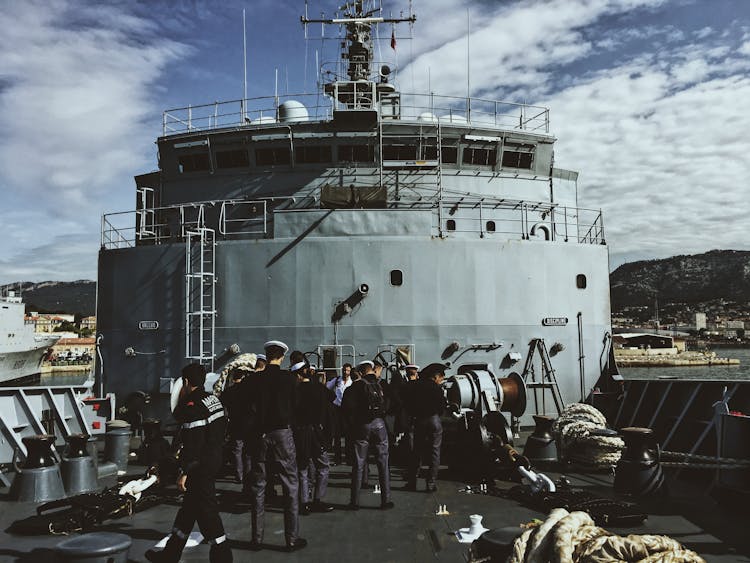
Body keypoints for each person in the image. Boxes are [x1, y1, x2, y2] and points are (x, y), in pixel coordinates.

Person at [146, 363, 232, 563]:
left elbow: (193, 444)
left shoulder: (192, 407)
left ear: (185, 382)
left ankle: (223, 557)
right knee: (188, 511)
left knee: (208, 512)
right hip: (213, 459)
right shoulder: (213, 400)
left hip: (200, 466)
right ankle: (170, 554)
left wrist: (185, 471)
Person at [246, 341, 307, 552]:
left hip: (260, 434)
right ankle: (291, 540)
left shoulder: (254, 379)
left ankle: (256, 539)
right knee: (290, 484)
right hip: (282, 433)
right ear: (281, 357)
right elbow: (297, 406)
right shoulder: (289, 379)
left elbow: (246, 405)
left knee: (259, 485)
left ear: (266, 355)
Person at [341, 360, 394, 510]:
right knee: (383, 462)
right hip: (379, 424)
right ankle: (386, 500)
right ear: (372, 370)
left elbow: (346, 408)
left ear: (361, 371)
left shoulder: (355, 386)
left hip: (361, 426)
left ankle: (355, 501)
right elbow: (393, 402)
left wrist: (353, 424)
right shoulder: (382, 384)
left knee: (359, 463)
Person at [292, 360, 335, 515]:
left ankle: (304, 503)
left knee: (302, 468)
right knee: (323, 466)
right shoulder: (319, 388)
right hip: (316, 432)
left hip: (299, 433)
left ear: (297, 374)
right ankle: (318, 499)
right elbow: (332, 399)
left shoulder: (294, 391)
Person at [405, 363, 447, 493]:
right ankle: (430, 483)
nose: (442, 380)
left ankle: (412, 482)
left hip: (420, 421)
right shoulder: (437, 388)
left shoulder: (416, 386)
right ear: (435, 376)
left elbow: (409, 403)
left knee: (417, 451)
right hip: (434, 421)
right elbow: (442, 407)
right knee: (435, 452)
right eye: (441, 377)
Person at [220, 364, 254, 484]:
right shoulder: (249, 391)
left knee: (237, 450)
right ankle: (248, 474)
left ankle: (239, 476)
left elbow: (221, 404)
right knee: (248, 451)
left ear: (233, 378)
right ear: (243, 377)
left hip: (235, 423)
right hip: (249, 423)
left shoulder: (228, 392)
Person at [327, 363, 353, 464]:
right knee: (337, 435)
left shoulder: (351, 382)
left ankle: (348, 457)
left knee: (348, 435)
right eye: (344, 370)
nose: (345, 372)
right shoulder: (337, 380)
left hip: (347, 410)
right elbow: (327, 387)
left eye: (347, 370)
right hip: (337, 409)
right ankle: (337, 459)